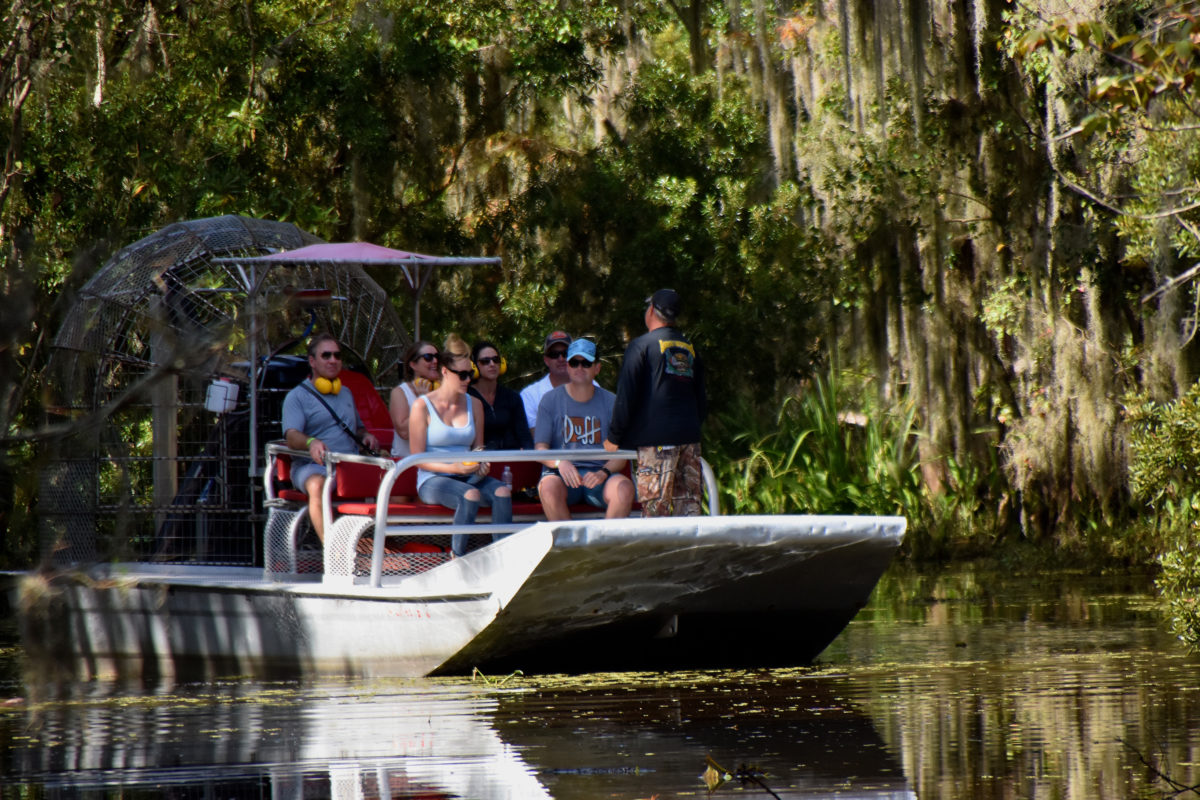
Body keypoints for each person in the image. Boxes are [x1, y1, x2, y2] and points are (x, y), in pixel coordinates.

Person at [604, 288, 707, 517]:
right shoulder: (690, 348)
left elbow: (626, 397)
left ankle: (660, 553)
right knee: (689, 507)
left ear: (651, 310)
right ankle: (688, 553)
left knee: (655, 511)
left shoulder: (641, 346)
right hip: (689, 439)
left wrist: (614, 437)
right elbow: (701, 400)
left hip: (656, 443)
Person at [409, 350, 513, 556]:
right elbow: (417, 459)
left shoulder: (474, 404)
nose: (468, 380)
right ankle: (457, 557)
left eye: (470, 374)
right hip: (433, 478)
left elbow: (478, 447)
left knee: (503, 492)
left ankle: (503, 555)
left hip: (467, 475)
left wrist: (481, 463)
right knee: (470, 495)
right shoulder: (422, 406)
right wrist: (453, 468)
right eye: (463, 374)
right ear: (445, 372)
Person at [282, 333, 381, 543]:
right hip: (313, 466)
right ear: (312, 361)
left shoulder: (345, 393)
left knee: (388, 479)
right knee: (318, 485)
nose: (333, 360)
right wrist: (311, 442)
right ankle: (333, 553)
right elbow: (291, 436)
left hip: (349, 465)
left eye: (337, 355)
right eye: (326, 355)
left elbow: (359, 429)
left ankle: (385, 550)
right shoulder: (296, 396)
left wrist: (366, 437)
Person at [535, 338, 634, 521]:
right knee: (548, 488)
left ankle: (605, 547)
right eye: (574, 362)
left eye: (586, 363)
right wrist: (559, 462)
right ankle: (569, 547)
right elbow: (540, 449)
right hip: (561, 477)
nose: (579, 368)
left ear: (597, 368)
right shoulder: (549, 400)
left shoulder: (612, 402)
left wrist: (603, 472)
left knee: (624, 488)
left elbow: (620, 455)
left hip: (600, 478)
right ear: (567, 367)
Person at [469, 340, 534, 451]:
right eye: (485, 361)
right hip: (481, 463)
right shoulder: (467, 397)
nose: (492, 364)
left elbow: (525, 438)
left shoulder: (512, 397)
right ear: (474, 365)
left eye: (496, 360)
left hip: (511, 461)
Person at [388, 340, 440, 459]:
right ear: (413, 365)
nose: (435, 361)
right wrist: (424, 401)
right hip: (408, 464)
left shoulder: (444, 391)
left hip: (439, 463)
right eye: (428, 357)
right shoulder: (400, 392)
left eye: (437, 357)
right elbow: (404, 433)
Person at [519, 330, 573, 434]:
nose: (561, 358)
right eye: (554, 354)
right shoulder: (530, 395)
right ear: (546, 360)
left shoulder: (591, 386)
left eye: (566, 353)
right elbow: (535, 434)